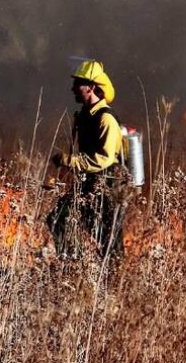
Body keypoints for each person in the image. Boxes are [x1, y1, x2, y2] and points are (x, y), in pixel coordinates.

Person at [46, 60, 129, 259]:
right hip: (90, 181)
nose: (73, 88)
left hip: (108, 184)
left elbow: (105, 158)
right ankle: (74, 266)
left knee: (110, 241)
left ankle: (114, 279)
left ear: (91, 87)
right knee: (58, 219)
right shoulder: (85, 115)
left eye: (78, 84)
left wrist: (70, 160)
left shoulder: (105, 118)